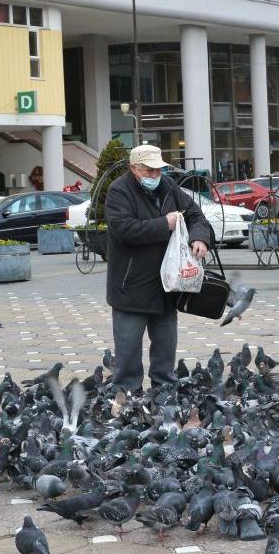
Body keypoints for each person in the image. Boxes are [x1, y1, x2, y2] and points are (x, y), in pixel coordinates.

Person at [105, 145, 212, 391]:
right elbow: (125, 229)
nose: (155, 175)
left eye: (158, 170)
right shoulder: (118, 191)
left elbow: (196, 216)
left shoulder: (169, 187)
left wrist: (199, 238)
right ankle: (127, 397)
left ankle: (164, 395)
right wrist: (164, 224)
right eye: (149, 170)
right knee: (128, 355)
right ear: (134, 169)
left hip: (167, 284)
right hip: (130, 287)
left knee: (165, 350)